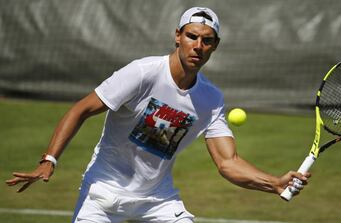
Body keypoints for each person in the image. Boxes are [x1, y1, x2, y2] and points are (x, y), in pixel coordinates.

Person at [6, 7, 310, 223]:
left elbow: (228, 163)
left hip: (159, 201)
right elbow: (81, 109)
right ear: (177, 36)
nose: (198, 46)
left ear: (214, 46)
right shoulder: (141, 73)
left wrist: (274, 183)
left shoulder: (211, 99)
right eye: (192, 36)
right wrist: (49, 160)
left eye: (207, 40)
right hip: (103, 194)